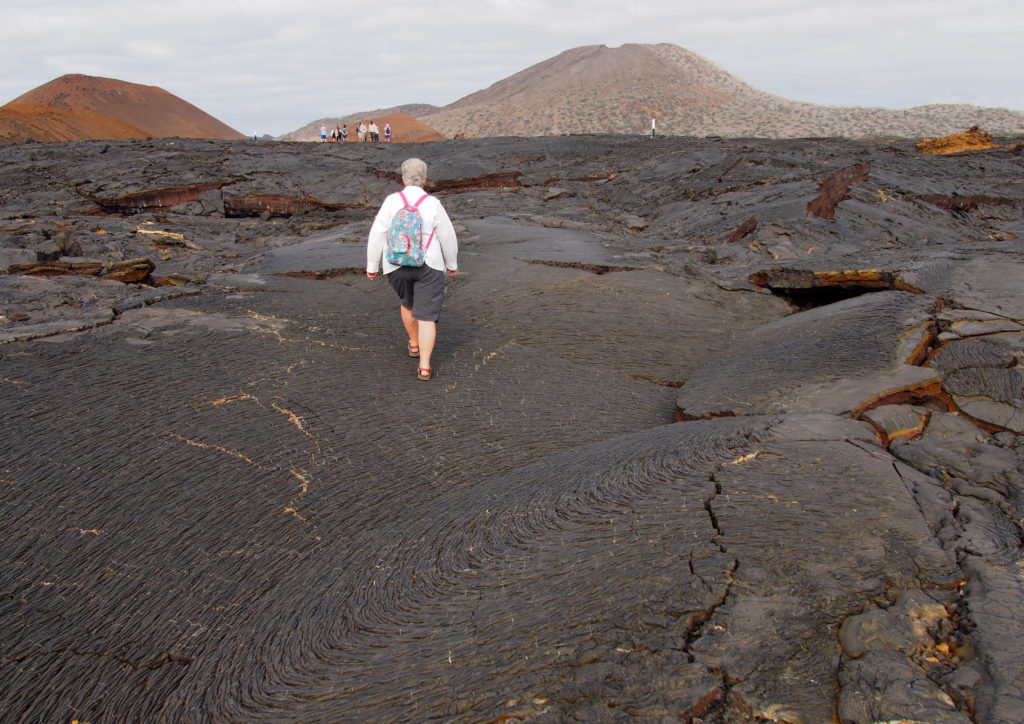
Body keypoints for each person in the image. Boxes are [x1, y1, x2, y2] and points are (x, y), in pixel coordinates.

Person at [366, 158, 458, 381]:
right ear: (425, 179)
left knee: (407, 303)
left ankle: (414, 344)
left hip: (396, 264)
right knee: (427, 316)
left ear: (403, 179)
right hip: (429, 264)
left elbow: (377, 232)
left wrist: (372, 265)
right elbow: (447, 235)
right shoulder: (432, 203)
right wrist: (452, 264)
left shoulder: (391, 201)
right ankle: (424, 366)